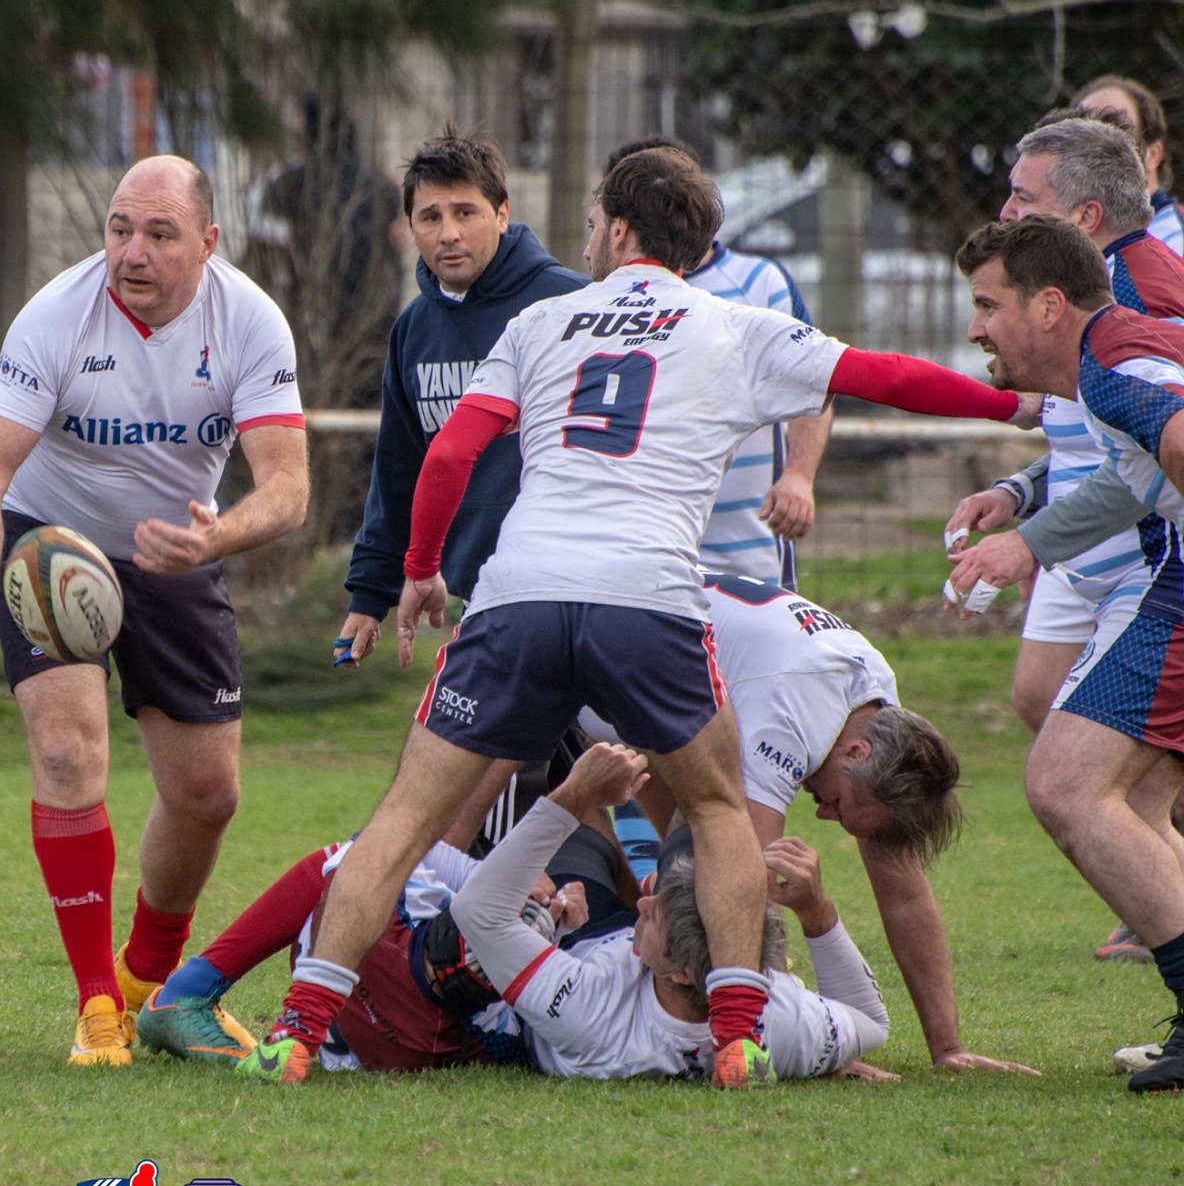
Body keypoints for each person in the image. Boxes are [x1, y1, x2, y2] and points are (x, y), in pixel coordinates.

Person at [234, 146, 1040, 1090]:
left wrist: (418, 570)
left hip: (521, 593)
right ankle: (737, 1038)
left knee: (405, 821)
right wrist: (1012, 400)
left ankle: (296, 1033)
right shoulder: (736, 325)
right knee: (715, 810)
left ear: (618, 229)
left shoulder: (541, 319)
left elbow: (451, 455)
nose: (583, 238)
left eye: (590, 223)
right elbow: (887, 374)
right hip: (646, 601)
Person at [0, 154, 309, 1067]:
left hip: (176, 549)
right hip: (49, 546)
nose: (131, 253)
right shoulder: (57, 315)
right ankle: (97, 1003)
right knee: (67, 750)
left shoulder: (250, 321)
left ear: (208, 243)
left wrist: (212, 543)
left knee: (208, 795)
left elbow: (289, 488)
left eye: (159, 234)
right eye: (119, 229)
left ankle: (149, 982)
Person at [143, 743, 889, 1082]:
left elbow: (476, 908)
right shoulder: (776, 1020)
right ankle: (562, 737)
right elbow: (870, 1021)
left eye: (660, 910)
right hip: (560, 956)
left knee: (359, 860)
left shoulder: (593, 1011)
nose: (652, 895)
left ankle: (192, 993)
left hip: (446, 1012)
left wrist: (567, 802)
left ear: (678, 964)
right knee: (589, 863)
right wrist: (819, 913)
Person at [587, 573, 1036, 1076]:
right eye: (839, 805)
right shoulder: (788, 716)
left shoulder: (870, 701)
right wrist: (807, 1041)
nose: (823, 813)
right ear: (856, 752)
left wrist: (948, 1049)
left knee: (680, 867)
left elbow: (904, 894)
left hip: (639, 660)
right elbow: (739, 893)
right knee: (690, 883)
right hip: (588, 654)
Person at [945, 213, 1184, 1093]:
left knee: (1065, 784)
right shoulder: (1110, 361)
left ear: (1048, 306)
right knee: (1143, 799)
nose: (975, 328)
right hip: (1169, 577)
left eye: (986, 304)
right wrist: (1028, 539)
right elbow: (1134, 481)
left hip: (1179, 587)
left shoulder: (1118, 369)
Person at [334, 126, 585, 844]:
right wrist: (370, 593)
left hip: (572, 592)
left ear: (503, 214)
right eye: (430, 216)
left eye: (466, 212)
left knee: (494, 802)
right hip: (485, 599)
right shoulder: (415, 329)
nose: (449, 232)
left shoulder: (567, 306)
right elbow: (400, 466)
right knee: (550, 801)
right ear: (408, 226)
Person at [603, 137, 832, 587]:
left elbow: (819, 384)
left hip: (747, 555)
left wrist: (799, 476)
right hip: (644, 555)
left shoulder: (760, 283)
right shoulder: (608, 298)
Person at [1074, 75, 1182, 255]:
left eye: (1118, 129)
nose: (1098, 145)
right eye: (1084, 131)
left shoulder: (1175, 244)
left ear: (1153, 154)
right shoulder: (1080, 240)